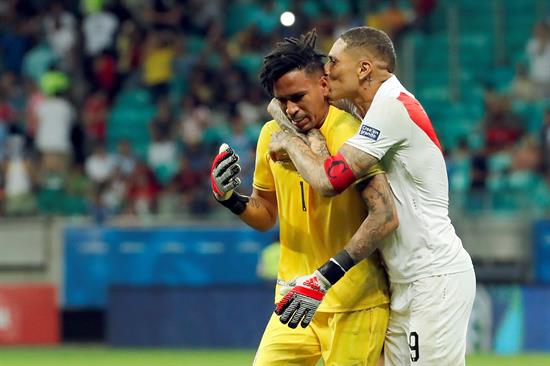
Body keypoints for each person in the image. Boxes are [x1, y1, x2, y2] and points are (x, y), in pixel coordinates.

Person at [268, 26, 475, 366]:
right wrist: (297, 126)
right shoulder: (367, 112)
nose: (327, 70)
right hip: (404, 280)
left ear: (363, 69)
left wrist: (290, 141)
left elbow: (328, 180)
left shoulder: (391, 107)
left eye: (334, 62)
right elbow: (285, 108)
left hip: (434, 276)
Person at [210, 31, 397, 365]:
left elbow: (382, 214)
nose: (291, 109)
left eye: (298, 96)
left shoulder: (348, 132)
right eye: (283, 101)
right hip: (294, 297)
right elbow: (266, 212)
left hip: (353, 302)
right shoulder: (271, 135)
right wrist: (230, 199)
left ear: (324, 85)